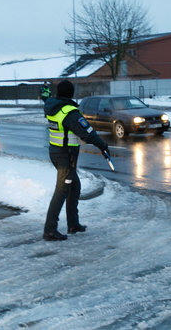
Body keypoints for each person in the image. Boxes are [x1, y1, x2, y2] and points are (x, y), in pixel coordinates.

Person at [43, 80, 109, 241]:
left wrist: (45, 94)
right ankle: (49, 230)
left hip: (56, 152)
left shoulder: (53, 106)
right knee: (61, 191)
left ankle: (73, 224)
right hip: (65, 156)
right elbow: (87, 132)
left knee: (74, 187)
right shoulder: (69, 112)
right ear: (71, 93)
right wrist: (103, 145)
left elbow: (46, 99)